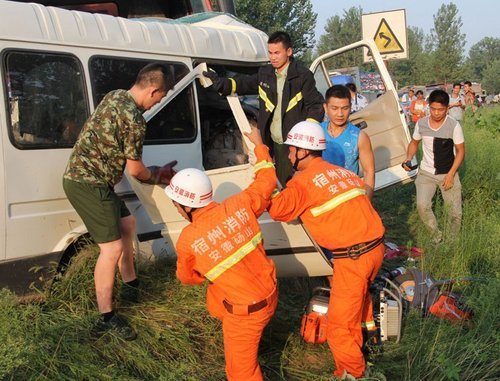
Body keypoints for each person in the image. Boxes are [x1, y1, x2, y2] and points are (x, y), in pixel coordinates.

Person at [63, 62, 177, 340]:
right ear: (153, 90)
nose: (158, 103)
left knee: (127, 223)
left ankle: (131, 284)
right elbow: (136, 171)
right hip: (87, 184)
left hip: (89, 179)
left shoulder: (114, 95)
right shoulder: (135, 120)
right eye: (161, 97)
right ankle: (107, 317)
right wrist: (160, 175)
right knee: (111, 249)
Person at [267, 121, 385, 380]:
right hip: (375, 250)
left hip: (353, 259)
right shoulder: (343, 173)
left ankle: (355, 373)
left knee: (339, 326)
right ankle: (361, 348)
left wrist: (263, 170)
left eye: (291, 150)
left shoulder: (303, 183)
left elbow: (277, 210)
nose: (288, 155)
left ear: (303, 152)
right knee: (356, 305)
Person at [164, 126, 278, 381]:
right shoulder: (240, 204)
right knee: (216, 297)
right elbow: (267, 180)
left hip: (246, 314)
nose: (176, 210)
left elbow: (188, 278)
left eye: (176, 205)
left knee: (240, 373)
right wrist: (259, 144)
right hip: (270, 293)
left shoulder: (188, 240)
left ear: (185, 205)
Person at [202, 31, 324, 186]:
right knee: (272, 183)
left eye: (277, 53)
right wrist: (222, 83)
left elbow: (316, 105)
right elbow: (244, 83)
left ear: (289, 52)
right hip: (270, 142)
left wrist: (305, 138)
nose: (273, 57)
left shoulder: (303, 76)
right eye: (270, 53)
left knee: (294, 185)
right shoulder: (265, 73)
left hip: (294, 145)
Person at [403, 89, 465, 242]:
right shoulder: (422, 123)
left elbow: (460, 151)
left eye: (441, 109)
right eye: (433, 109)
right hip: (426, 173)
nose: (437, 113)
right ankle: (436, 237)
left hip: (447, 173)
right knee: (422, 206)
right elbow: (414, 143)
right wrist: (409, 158)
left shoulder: (453, 125)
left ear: (447, 108)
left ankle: (452, 241)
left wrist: (451, 175)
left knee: (455, 213)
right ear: (428, 106)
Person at [320, 85, 375, 199]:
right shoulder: (316, 132)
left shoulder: (359, 137)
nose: (340, 114)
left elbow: (369, 171)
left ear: (350, 107)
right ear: (325, 107)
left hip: (348, 199)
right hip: (320, 197)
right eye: (334, 108)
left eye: (345, 108)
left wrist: (366, 203)